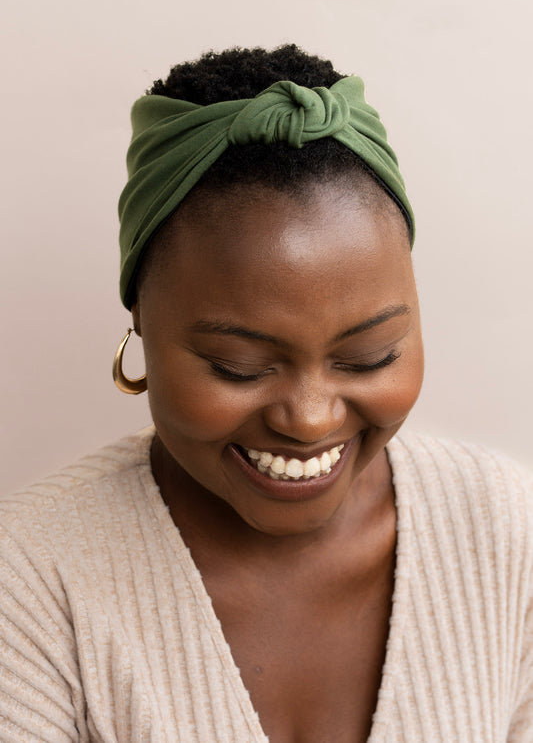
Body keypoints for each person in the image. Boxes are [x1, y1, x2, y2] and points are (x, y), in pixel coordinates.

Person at [0, 44, 531, 743]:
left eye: (369, 356)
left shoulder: (505, 533)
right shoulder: (32, 575)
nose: (309, 420)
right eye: (239, 365)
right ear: (141, 327)